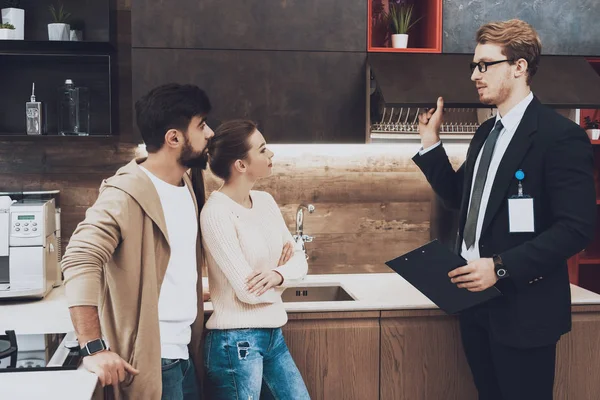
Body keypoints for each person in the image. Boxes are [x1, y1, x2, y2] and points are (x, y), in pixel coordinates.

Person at [413, 19, 596, 400]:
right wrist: (431, 145)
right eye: (474, 66)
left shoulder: (559, 137)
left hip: (524, 312)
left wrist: (499, 267)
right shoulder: (485, 134)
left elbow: (576, 229)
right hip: (475, 306)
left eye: (485, 65)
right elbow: (457, 198)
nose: (475, 76)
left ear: (519, 67)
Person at [61, 83, 214, 399]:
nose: (210, 133)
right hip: (154, 360)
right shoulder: (124, 194)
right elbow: (79, 257)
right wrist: (92, 346)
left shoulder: (185, 181)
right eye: (201, 126)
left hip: (184, 350)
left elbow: (165, 257)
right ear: (174, 138)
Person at [200, 119, 311, 399]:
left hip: (273, 334)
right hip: (236, 341)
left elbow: (299, 259)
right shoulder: (216, 214)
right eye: (262, 150)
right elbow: (248, 292)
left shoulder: (265, 202)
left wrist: (276, 275)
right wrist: (283, 271)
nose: (270, 154)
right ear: (241, 165)